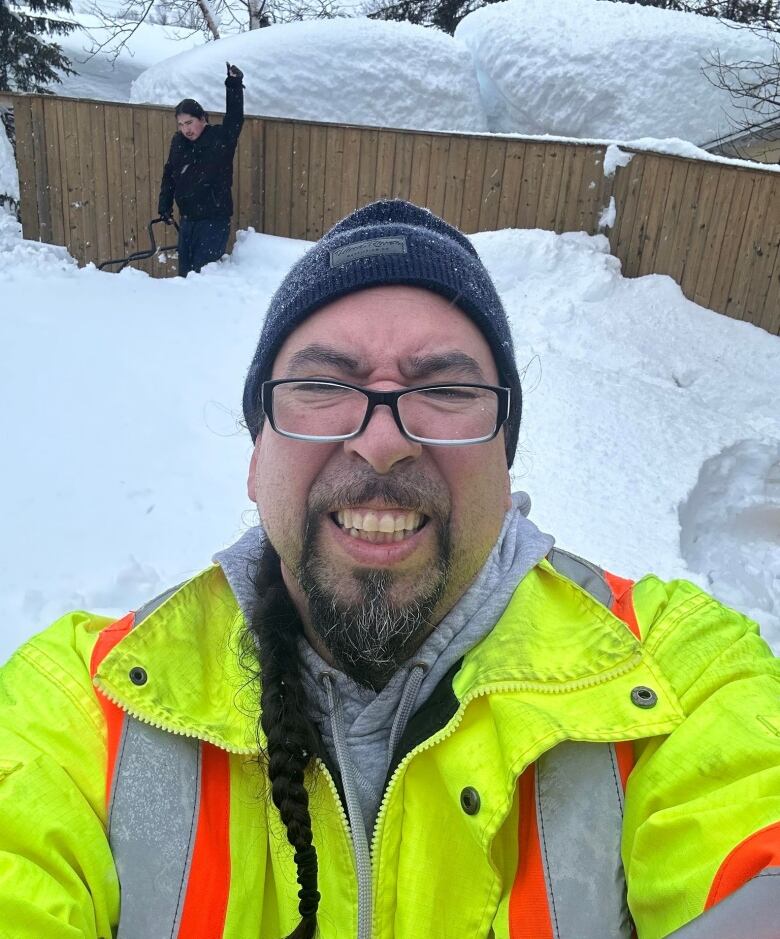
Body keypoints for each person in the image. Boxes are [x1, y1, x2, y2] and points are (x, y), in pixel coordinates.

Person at [0, 200, 778, 939]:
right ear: (255, 458)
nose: (380, 443)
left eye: (444, 388)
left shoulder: (676, 673)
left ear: (504, 464)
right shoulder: (86, 704)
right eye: (321, 385)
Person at [157, 62, 245, 277]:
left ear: (202, 119)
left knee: (203, 277)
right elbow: (170, 174)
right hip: (187, 221)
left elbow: (235, 119)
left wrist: (233, 85)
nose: (186, 129)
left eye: (189, 122)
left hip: (213, 221)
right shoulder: (179, 143)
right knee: (185, 276)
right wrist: (165, 204)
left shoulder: (219, 138)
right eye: (181, 124)